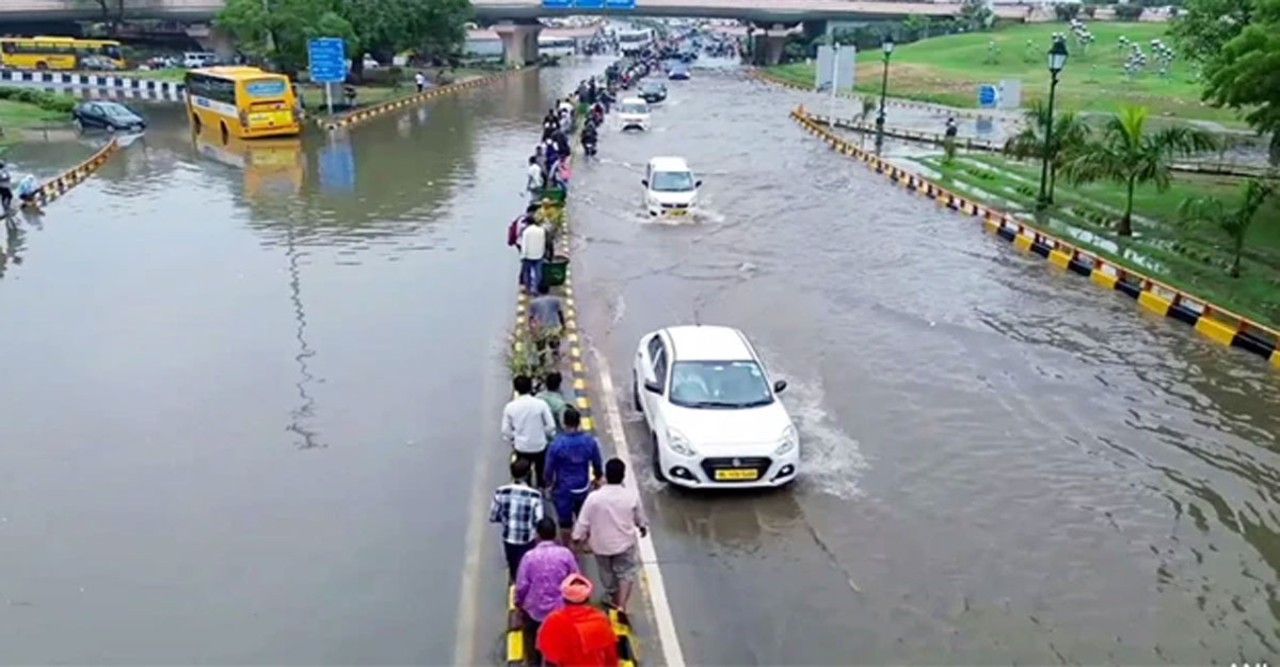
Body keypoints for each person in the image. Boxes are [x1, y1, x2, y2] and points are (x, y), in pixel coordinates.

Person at [573, 458, 648, 613]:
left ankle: (612, 594)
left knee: (606, 572)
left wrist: (577, 538)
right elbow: (639, 518)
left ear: (606, 476)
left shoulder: (594, 498)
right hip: (624, 544)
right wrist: (642, 527)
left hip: (601, 545)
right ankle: (621, 605)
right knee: (626, 572)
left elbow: (583, 522)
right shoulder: (630, 496)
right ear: (623, 475)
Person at [514, 517, 580, 667]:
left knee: (531, 637)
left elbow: (521, 586)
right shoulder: (565, 555)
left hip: (535, 610)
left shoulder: (529, 557)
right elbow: (575, 579)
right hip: (560, 610)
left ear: (537, 535)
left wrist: (519, 604)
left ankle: (532, 662)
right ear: (555, 534)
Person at [544, 407, 603, 546]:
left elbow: (549, 469)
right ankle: (585, 543)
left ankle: (567, 546)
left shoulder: (557, 444)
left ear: (564, 423)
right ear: (579, 422)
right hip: (583, 487)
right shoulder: (589, 441)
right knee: (583, 517)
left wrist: (548, 483)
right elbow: (597, 463)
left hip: (563, 490)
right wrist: (598, 477)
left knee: (565, 522)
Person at [537, 573, 620, 667]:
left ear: (564, 598)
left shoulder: (553, 620)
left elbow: (549, 655)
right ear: (587, 598)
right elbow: (610, 655)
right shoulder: (600, 619)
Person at [489, 458, 546, 582]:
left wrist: (504, 519)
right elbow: (539, 519)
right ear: (527, 475)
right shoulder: (535, 495)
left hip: (508, 537)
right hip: (527, 538)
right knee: (528, 563)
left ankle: (514, 579)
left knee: (513, 564)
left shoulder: (500, 492)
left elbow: (493, 516)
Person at [502, 375, 556, 488]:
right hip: (539, 446)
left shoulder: (510, 407)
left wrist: (515, 437)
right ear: (530, 387)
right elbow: (551, 426)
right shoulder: (541, 404)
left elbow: (506, 431)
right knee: (541, 471)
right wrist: (542, 433)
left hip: (522, 447)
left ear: (516, 389)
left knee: (524, 474)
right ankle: (542, 487)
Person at [529, 282, 566, 359]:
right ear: (548, 290)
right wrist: (563, 326)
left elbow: (531, 318)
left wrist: (532, 331)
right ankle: (556, 366)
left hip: (540, 329)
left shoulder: (534, 303)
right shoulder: (555, 300)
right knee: (555, 350)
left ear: (538, 290)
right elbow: (560, 313)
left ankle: (542, 366)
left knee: (541, 352)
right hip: (553, 328)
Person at [519, 216, 547, 294]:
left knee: (526, 273)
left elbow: (524, 245)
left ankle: (528, 289)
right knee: (538, 272)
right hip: (538, 254)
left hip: (528, 255)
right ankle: (535, 288)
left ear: (528, 223)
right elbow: (543, 242)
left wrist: (522, 256)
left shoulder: (526, 232)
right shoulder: (541, 230)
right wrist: (542, 253)